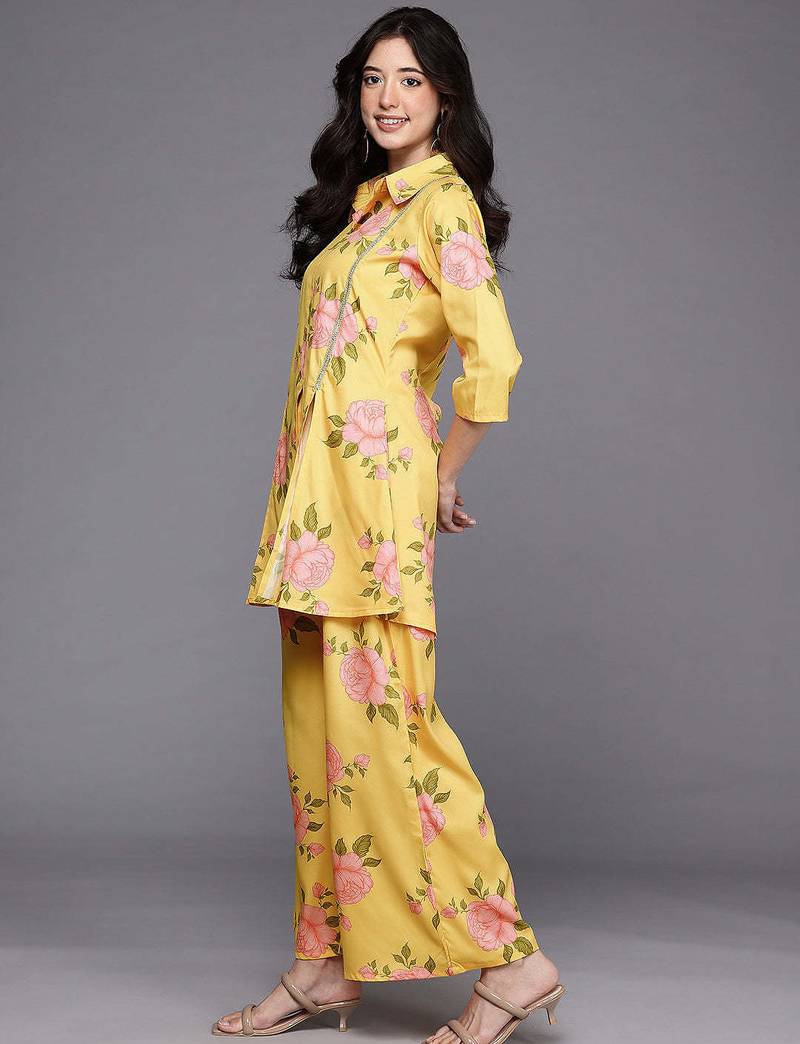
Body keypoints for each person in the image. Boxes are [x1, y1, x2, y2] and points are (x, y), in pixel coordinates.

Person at [213, 8, 565, 1044]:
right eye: (373, 78)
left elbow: (491, 362)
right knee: (320, 738)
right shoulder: (365, 207)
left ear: (444, 96)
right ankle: (323, 962)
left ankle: (513, 962)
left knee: (392, 737)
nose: (388, 97)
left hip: (371, 512)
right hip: (314, 514)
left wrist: (437, 476)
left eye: (410, 79)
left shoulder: (441, 205)